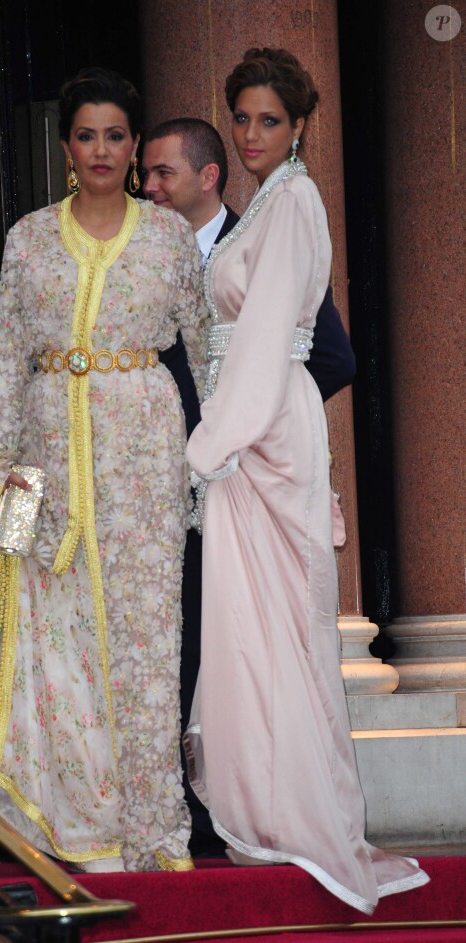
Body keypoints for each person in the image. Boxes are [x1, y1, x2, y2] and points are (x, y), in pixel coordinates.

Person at [0, 66, 208, 873]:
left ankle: (150, 832)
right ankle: (70, 827)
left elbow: (206, 352)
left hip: (144, 470)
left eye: (116, 135)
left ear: (133, 148)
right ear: (66, 146)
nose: (101, 149)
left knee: (143, 650)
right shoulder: (26, 238)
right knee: (37, 628)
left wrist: (217, 470)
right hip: (39, 470)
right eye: (86, 134)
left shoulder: (167, 238)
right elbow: (10, 368)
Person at [183, 48, 429, 911]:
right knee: (257, 625)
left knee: (279, 624)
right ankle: (275, 807)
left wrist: (205, 446)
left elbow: (259, 344)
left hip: (264, 429)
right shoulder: (266, 205)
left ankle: (297, 813)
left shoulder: (293, 200)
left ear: (300, 128)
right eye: (242, 118)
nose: (252, 135)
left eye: (269, 122)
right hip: (253, 425)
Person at [142, 117, 355, 856]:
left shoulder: (269, 232)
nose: (149, 187)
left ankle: (240, 813)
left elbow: (328, 355)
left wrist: (253, 439)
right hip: (149, 491)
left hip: (244, 482)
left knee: (237, 641)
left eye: (162, 172)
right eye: (146, 172)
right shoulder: (139, 253)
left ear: (207, 176)